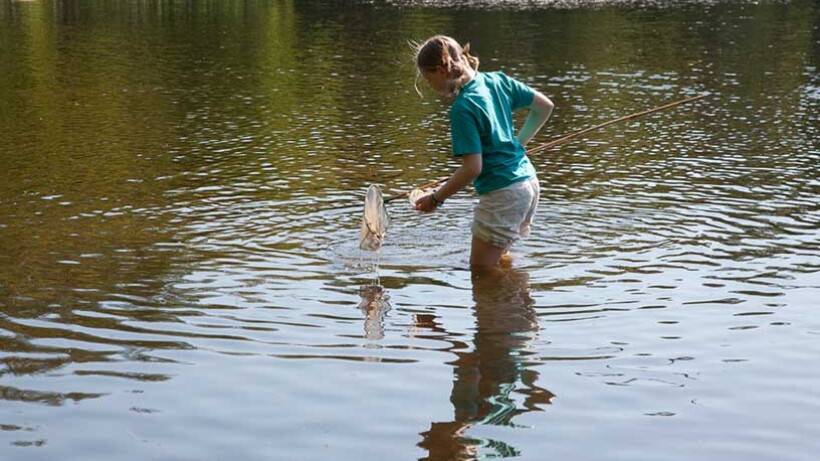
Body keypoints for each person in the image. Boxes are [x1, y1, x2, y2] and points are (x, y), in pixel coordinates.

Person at [413, 35, 554, 272]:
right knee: (500, 262)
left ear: (440, 71)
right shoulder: (497, 80)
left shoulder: (462, 107)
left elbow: (473, 168)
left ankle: (505, 301)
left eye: (428, 79)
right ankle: (516, 299)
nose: (430, 86)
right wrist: (518, 145)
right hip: (528, 183)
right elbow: (544, 107)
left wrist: (435, 199)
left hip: (504, 193)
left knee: (481, 272)